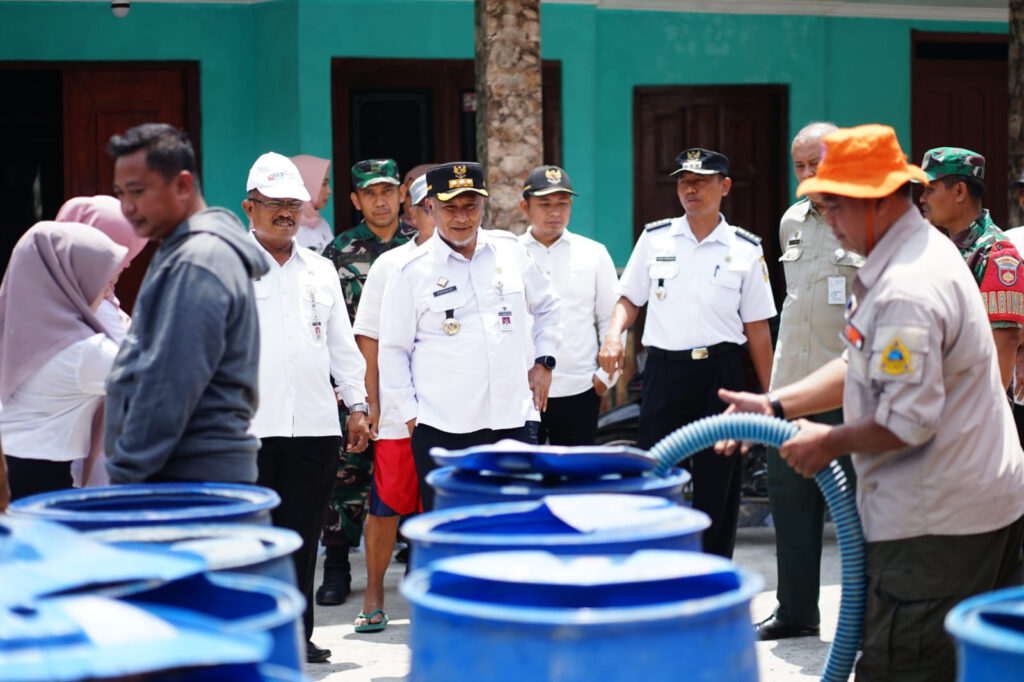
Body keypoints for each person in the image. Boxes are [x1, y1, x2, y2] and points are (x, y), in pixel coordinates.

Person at [718, 124, 1024, 682]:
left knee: (901, 667)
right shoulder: (907, 251)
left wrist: (827, 442)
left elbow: (908, 418)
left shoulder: (908, 283)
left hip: (940, 525)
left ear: (878, 202)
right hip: (967, 506)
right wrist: (777, 406)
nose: (828, 222)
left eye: (835, 207)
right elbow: (860, 360)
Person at [598, 147, 776, 559]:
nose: (690, 188)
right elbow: (629, 299)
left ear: (724, 186)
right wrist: (612, 335)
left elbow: (757, 330)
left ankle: (712, 576)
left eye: (701, 180)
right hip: (664, 373)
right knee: (659, 480)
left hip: (721, 377)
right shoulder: (656, 238)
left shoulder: (745, 249)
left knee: (719, 487)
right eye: (683, 180)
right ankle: (658, 569)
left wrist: (771, 399)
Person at [241, 152, 370, 664]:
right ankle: (254, 637)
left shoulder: (320, 269)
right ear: (249, 207)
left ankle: (297, 637)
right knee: (251, 540)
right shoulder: (228, 265)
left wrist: (358, 404)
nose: (285, 213)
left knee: (302, 535)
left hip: (315, 427)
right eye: (273, 204)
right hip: (246, 429)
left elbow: (342, 344)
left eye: (293, 204)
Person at [378, 161, 562, 512]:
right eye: (450, 207)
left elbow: (549, 308)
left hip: (513, 421)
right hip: (444, 430)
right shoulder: (410, 271)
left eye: (470, 206)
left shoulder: (510, 251)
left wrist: (544, 361)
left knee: (514, 525)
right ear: (429, 207)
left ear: (484, 205)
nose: (462, 217)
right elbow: (392, 351)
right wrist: (412, 416)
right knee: (453, 531)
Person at [104, 123, 268, 484]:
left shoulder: (199, 259)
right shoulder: (185, 250)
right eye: (120, 193)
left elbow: (168, 386)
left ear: (182, 185)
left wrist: (124, 477)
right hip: (183, 476)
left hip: (189, 485)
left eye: (137, 192)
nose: (126, 208)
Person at [755, 123, 861, 640]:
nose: (807, 175)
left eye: (815, 163)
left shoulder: (863, 219)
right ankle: (796, 610)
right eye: (799, 166)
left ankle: (867, 621)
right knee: (790, 509)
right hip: (791, 391)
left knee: (860, 515)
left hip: (849, 392)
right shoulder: (791, 220)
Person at [316, 158, 417, 606]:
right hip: (351, 384)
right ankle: (338, 568)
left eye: (388, 191)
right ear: (356, 200)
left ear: (402, 196)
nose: (381, 200)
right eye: (370, 193)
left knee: (410, 471)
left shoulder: (421, 247)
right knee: (346, 473)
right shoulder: (337, 253)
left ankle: (416, 559)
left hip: (404, 383)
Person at [349, 173, 432, 633]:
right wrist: (371, 399)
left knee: (444, 499)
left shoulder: (478, 258)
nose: (433, 213)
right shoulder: (392, 264)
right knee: (388, 500)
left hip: (455, 408)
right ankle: (374, 591)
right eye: (424, 205)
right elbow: (369, 337)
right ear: (412, 210)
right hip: (401, 410)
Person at [0, 221, 127, 499]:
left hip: (12, 468)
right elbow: (154, 379)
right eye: (104, 284)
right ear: (72, 280)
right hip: (40, 479)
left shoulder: (16, 327)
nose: (109, 296)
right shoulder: (82, 350)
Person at [518, 165, 619, 445]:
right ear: (524, 207)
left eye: (562, 203)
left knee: (574, 481)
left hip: (579, 387)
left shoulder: (593, 254)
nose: (555, 212)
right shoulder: (510, 254)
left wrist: (605, 377)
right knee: (525, 478)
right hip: (522, 390)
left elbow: (610, 316)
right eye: (545, 204)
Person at [55, 195, 149, 488]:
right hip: (95, 461)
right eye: (120, 256)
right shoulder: (89, 309)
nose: (128, 266)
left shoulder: (95, 303)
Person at [919, 147, 1024, 389]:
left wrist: (984, 414)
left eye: (930, 189)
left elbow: (1005, 342)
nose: (922, 198)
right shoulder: (947, 247)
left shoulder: (995, 253)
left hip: (971, 410)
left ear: (959, 191)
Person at [290, 154, 334, 252]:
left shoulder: (322, 224)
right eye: (323, 184)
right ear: (306, 184)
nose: (329, 191)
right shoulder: (285, 229)